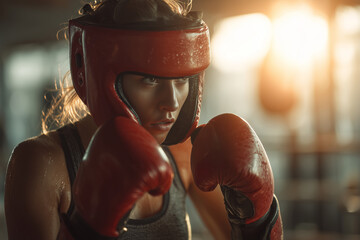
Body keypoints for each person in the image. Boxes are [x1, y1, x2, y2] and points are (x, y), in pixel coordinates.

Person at [4, 0, 283, 239]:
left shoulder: (183, 154)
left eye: (183, 79)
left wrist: (258, 219)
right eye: (150, 80)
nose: (172, 103)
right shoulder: (43, 164)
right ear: (96, 75)